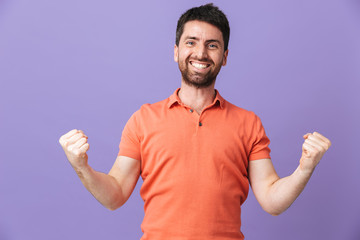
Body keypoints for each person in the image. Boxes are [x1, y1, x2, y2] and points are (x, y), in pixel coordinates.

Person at [59, 3, 331, 240]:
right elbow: (115, 194)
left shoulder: (248, 124)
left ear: (224, 57)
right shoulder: (143, 119)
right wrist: (81, 166)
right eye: (191, 42)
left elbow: (272, 199)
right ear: (176, 51)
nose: (200, 53)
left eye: (212, 45)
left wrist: (305, 168)